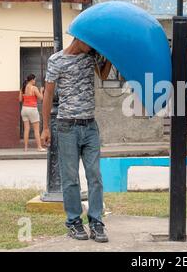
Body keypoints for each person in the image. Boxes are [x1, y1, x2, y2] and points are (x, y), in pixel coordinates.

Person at [41, 38, 112, 243]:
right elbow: (48, 94)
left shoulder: (92, 58)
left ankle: (96, 222)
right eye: (89, 41)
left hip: (90, 126)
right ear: (79, 38)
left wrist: (110, 57)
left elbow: (104, 75)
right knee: (70, 178)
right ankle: (73, 222)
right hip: (66, 127)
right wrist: (46, 127)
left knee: (95, 176)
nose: (92, 44)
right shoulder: (56, 60)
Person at [19, 74, 46, 152]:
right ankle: (39, 147)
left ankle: (26, 148)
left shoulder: (23, 88)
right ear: (31, 80)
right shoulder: (34, 88)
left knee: (26, 129)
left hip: (24, 109)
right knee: (36, 130)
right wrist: (41, 91)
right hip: (32, 109)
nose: (35, 81)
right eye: (34, 80)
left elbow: (20, 99)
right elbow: (41, 98)